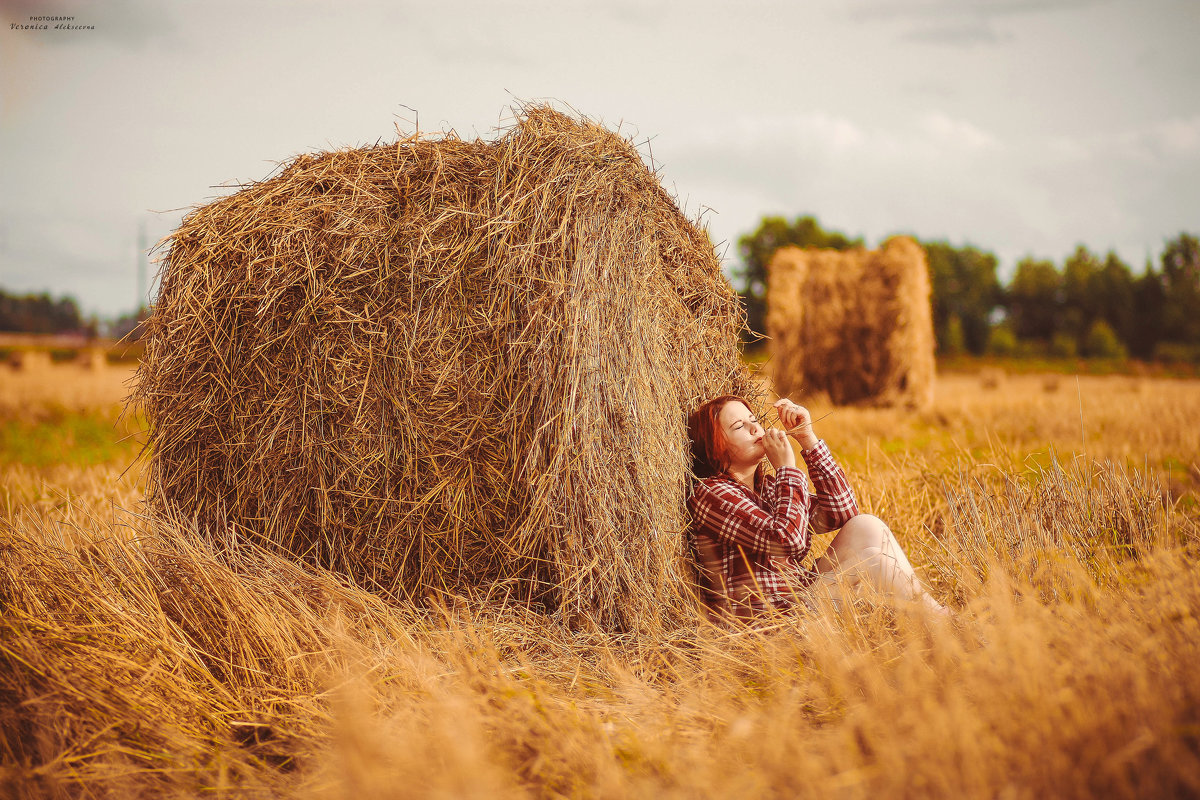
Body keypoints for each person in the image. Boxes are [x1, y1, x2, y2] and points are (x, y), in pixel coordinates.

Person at [686, 394, 948, 621]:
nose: (756, 429)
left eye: (754, 420)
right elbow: (787, 540)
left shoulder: (767, 488)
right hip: (771, 622)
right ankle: (946, 626)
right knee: (877, 563)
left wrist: (807, 439)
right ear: (714, 447)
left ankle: (937, 618)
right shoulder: (711, 494)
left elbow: (842, 513)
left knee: (867, 525)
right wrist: (787, 469)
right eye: (739, 426)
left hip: (797, 600)